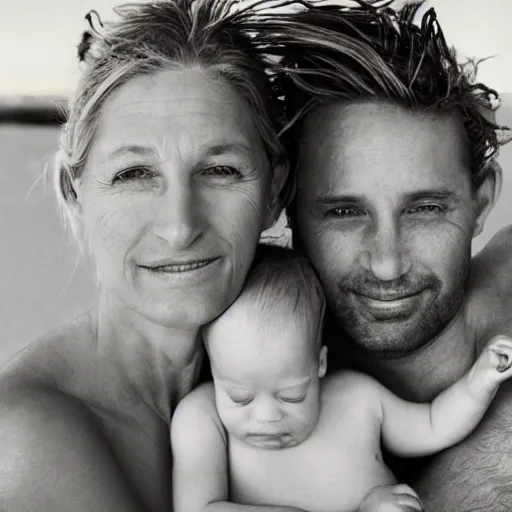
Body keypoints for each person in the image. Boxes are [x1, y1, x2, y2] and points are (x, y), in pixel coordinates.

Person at [0, 1, 291, 510]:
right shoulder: (25, 438)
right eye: (134, 174)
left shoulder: (292, 384)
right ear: (74, 194)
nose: (180, 227)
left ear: (276, 190)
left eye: (219, 170)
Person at [249, 1, 512, 510]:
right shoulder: (226, 368)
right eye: (345, 212)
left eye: (426, 209)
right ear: (286, 206)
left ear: (482, 201)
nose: (388, 264)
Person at [172, 246, 512, 512]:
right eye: (239, 397)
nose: (266, 417)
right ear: (213, 367)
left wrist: (479, 381)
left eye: (291, 396)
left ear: (319, 364)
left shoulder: (356, 397)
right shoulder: (202, 418)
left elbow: (434, 423)